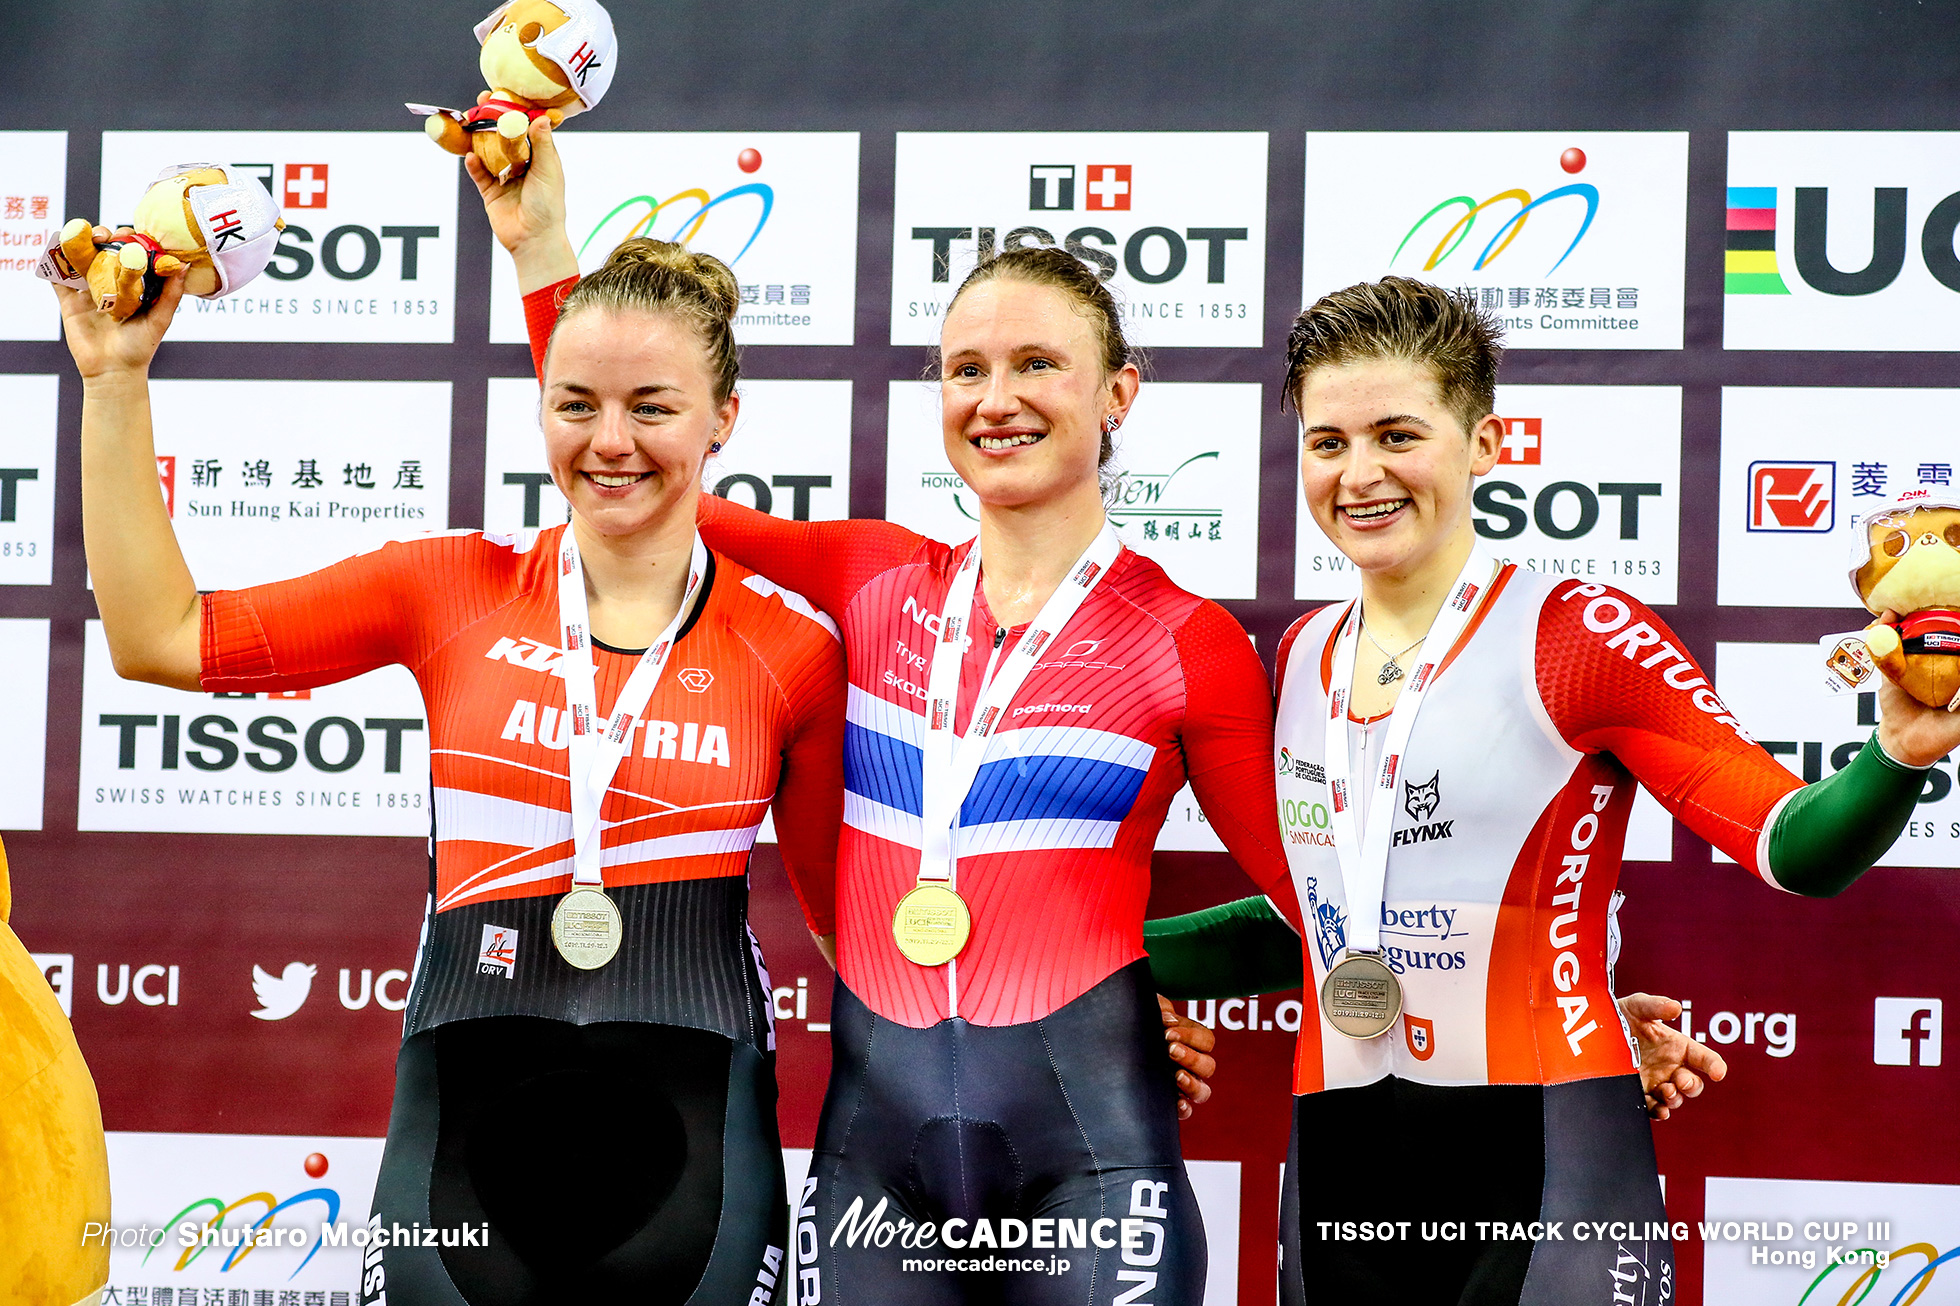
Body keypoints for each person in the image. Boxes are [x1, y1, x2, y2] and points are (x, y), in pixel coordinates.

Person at [487, 118, 1295, 1304]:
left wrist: (1127, 973)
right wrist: (539, 245)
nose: (997, 398)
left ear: (1119, 391)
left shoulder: (1187, 641)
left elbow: (1315, 898)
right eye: (965, 369)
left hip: (1093, 1160)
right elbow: (642, 472)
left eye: (1036, 365)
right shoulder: (871, 576)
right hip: (876, 1163)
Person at [59, 230, 847, 1305]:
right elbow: (158, 635)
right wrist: (114, 382)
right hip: (460, 1137)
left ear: (723, 420)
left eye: (652, 407)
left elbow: (853, 928)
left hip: (699, 1145)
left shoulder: (790, 648)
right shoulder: (450, 589)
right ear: (541, 407)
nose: (610, 440)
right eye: (575, 404)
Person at [1143, 276, 1959, 1305]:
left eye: (1399, 433)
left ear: (1484, 442)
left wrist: (1896, 756)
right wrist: (1090, 968)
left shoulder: (1577, 637)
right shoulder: (1300, 654)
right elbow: (1307, 922)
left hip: (1549, 1153)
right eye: (1328, 441)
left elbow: (1793, 846)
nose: (1360, 474)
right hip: (1335, 1158)